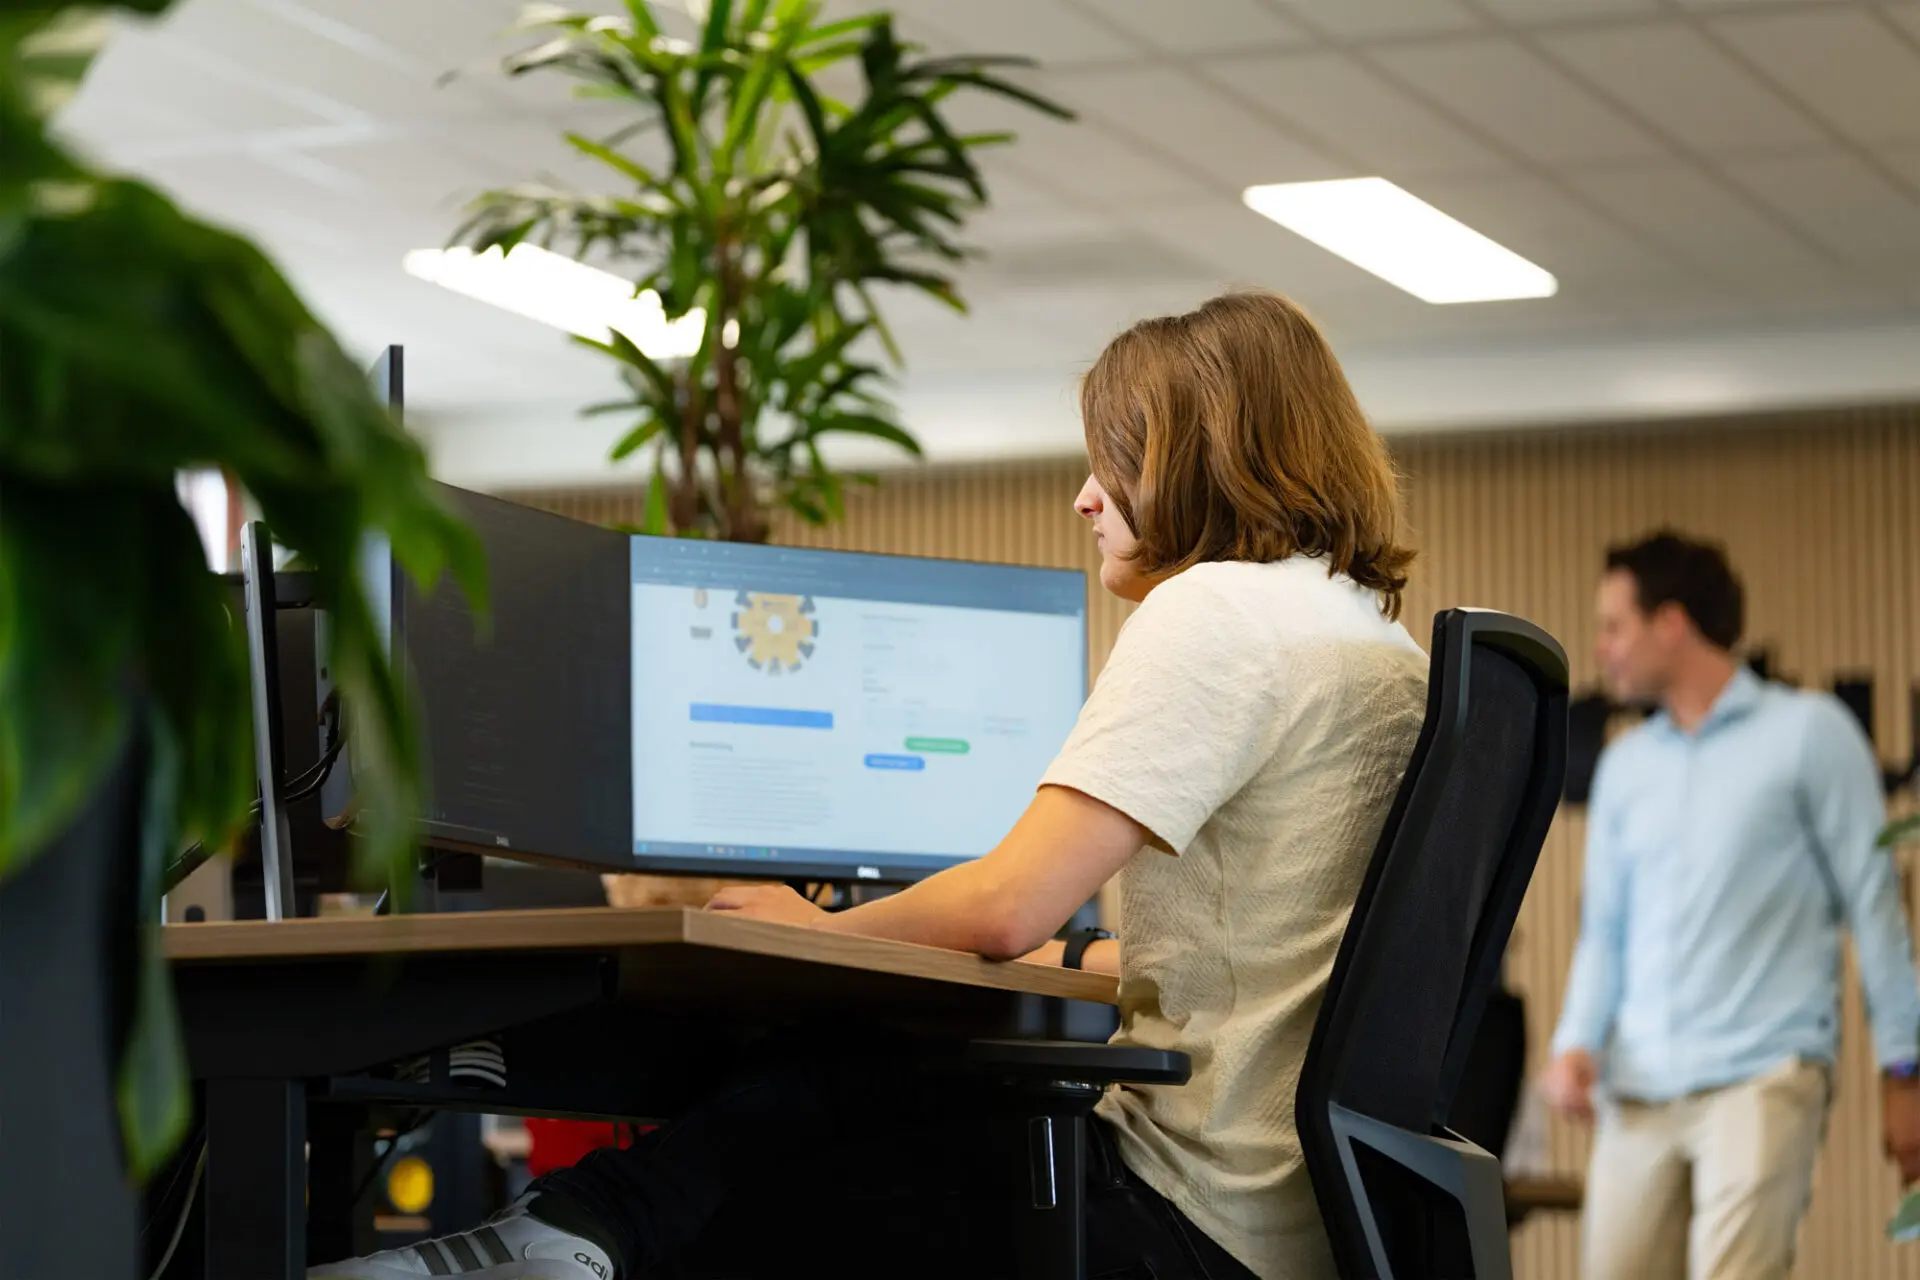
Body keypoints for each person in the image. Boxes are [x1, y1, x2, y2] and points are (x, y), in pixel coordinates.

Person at [312, 290, 1430, 1280]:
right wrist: (1084, 956)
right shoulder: (1378, 643)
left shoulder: (1218, 608)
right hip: (1301, 1222)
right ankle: (575, 1225)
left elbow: (1002, 904)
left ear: (1193, 457)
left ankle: (565, 1225)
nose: (1087, 496)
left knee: (835, 1082)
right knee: (865, 1067)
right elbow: (1273, 943)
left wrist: (823, 931)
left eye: (1113, 459)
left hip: (1175, 1215)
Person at [1539, 531, 1920, 1280]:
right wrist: (1574, 1041)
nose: (1602, 647)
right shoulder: (1624, 766)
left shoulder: (1811, 734)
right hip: (1639, 1087)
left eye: (1615, 625)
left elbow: (1876, 909)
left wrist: (1904, 1072)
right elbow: (1604, 933)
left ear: (1671, 624)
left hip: (1763, 1074)